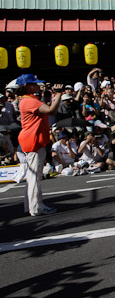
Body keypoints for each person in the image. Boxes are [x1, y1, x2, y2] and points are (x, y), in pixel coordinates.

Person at [17, 73, 62, 216]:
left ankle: (31, 206)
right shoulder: (29, 101)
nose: (37, 85)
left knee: (33, 177)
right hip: (33, 141)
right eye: (34, 83)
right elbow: (51, 110)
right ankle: (37, 208)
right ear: (26, 86)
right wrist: (59, 95)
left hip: (32, 140)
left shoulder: (28, 100)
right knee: (35, 177)